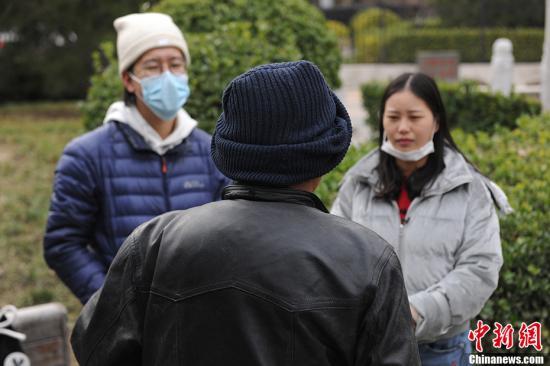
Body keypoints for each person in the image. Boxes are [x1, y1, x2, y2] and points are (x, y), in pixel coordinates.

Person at [70, 60, 421, 365]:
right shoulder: (369, 261)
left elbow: (94, 347)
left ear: (227, 150)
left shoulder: (154, 243)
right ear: (327, 155)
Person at [43, 13, 229, 304]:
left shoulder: (212, 152)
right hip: (126, 337)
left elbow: (230, 238)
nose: (167, 75)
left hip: (200, 327)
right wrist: (113, 307)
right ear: (129, 80)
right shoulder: (87, 156)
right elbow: (63, 243)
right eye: (153, 67)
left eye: (176, 64)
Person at [331, 72, 512, 366]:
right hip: (368, 347)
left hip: (441, 349)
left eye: (415, 117)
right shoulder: (358, 184)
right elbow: (334, 256)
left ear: (436, 121)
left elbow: (480, 268)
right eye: (393, 117)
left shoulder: (469, 189)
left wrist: (416, 313)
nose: (403, 128)